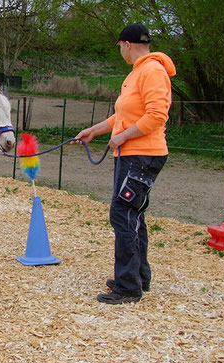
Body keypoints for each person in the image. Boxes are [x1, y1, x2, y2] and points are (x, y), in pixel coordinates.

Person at [74, 23, 176, 304]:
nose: (120, 52)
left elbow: (157, 116)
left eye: (120, 47)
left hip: (142, 155)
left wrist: (121, 138)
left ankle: (128, 286)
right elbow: (124, 116)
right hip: (131, 154)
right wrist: (95, 130)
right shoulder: (136, 74)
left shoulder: (152, 71)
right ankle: (138, 276)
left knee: (122, 214)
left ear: (127, 44)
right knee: (133, 215)